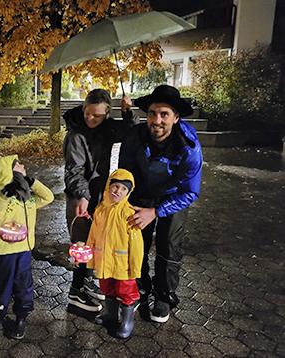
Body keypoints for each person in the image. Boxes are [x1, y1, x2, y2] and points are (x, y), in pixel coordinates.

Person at [118, 84, 203, 323]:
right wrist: (120, 200)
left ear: (176, 118)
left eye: (164, 114)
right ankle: (140, 286)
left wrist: (157, 211)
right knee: (136, 243)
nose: (157, 120)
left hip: (174, 197)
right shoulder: (135, 136)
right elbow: (125, 173)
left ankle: (164, 295)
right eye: (152, 113)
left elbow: (191, 192)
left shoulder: (190, 148)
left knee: (169, 245)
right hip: (141, 193)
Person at [63, 88, 138, 312]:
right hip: (79, 197)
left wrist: (128, 112)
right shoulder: (76, 135)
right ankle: (75, 292)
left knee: (92, 242)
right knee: (81, 244)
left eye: (97, 115)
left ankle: (85, 282)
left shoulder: (106, 128)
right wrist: (83, 196)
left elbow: (128, 133)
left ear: (106, 114)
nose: (90, 118)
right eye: (88, 113)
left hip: (97, 196)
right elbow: (73, 171)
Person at [0, 155, 54, 339]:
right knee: (2, 285)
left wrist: (33, 182)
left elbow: (48, 197)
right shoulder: (3, 199)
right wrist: (5, 193)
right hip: (5, 253)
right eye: (18, 165)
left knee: (24, 285)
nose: (24, 165)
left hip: (24, 251)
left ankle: (21, 317)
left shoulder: (28, 199)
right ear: (9, 173)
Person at [86, 169, 143, 339]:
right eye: (115, 186)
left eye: (123, 189)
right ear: (108, 186)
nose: (118, 191)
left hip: (123, 265)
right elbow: (93, 235)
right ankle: (110, 314)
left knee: (126, 292)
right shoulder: (100, 210)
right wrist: (89, 256)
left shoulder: (129, 214)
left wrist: (135, 267)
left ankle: (127, 321)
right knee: (107, 288)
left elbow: (137, 245)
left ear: (129, 192)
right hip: (104, 261)